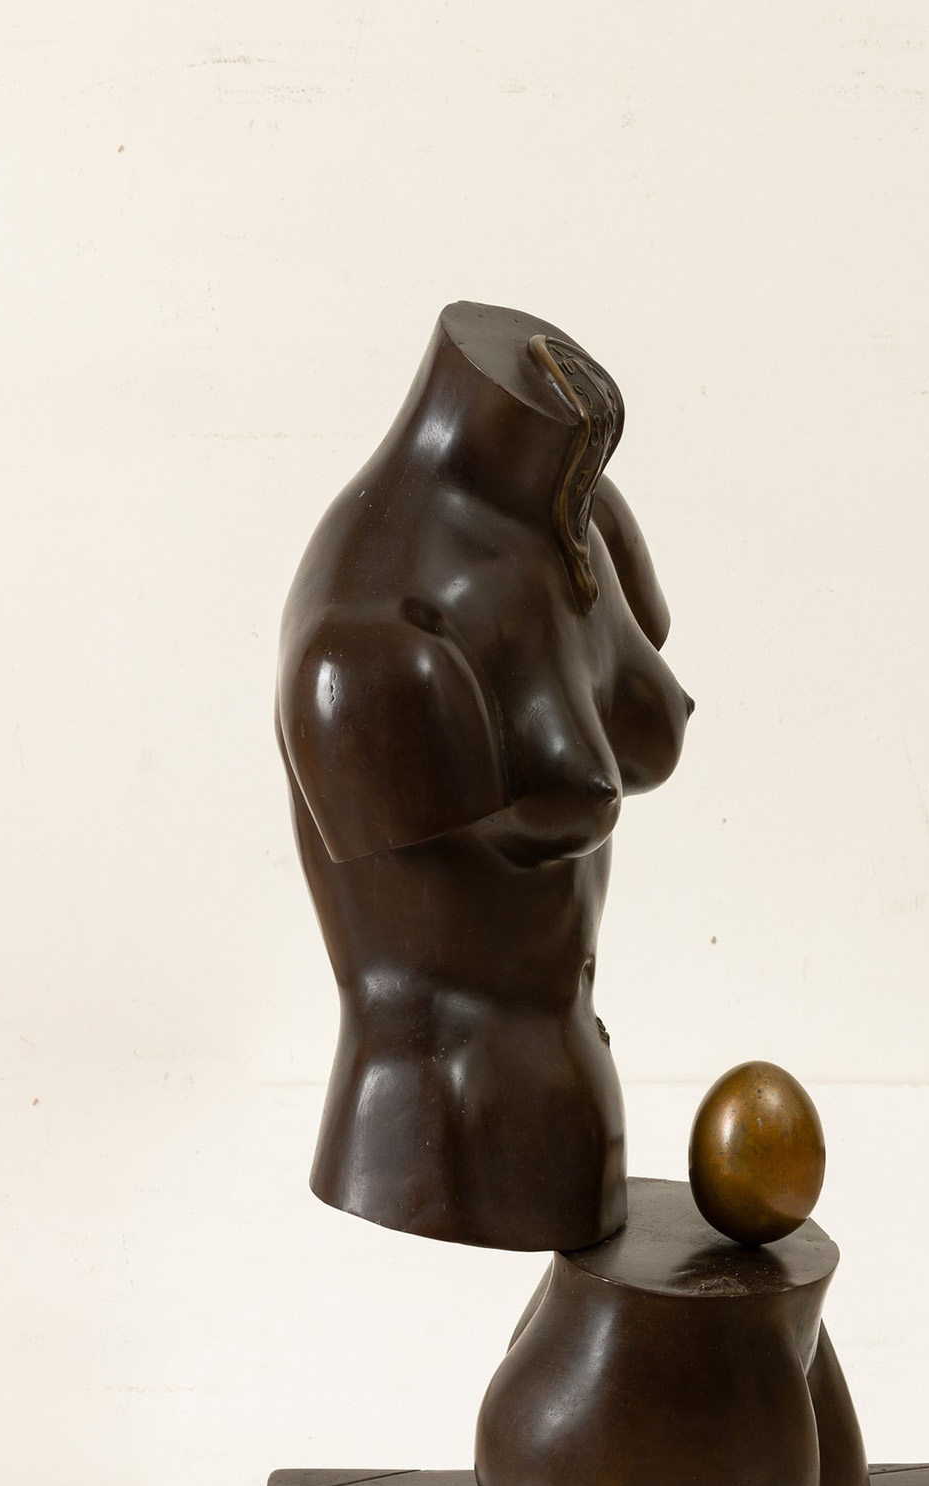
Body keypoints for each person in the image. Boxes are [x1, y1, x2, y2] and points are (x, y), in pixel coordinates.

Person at [276, 302, 692, 1250]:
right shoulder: (372, 634)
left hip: (577, 1127)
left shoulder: (586, 524)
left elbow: (648, 730)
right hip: (431, 1142)